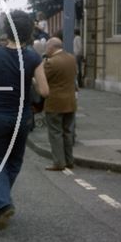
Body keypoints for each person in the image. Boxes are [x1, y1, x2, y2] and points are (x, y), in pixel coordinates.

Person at [0, 10, 49, 230]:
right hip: (22, 117)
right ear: (28, 32)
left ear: (7, 31)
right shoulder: (34, 57)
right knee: (14, 162)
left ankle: (2, 203)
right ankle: (0, 205)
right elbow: (44, 91)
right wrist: (28, 81)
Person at [43, 37, 77, 171]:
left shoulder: (51, 62)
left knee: (55, 133)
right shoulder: (71, 58)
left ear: (51, 47)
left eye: (47, 47)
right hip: (70, 101)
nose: (46, 50)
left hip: (55, 102)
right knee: (67, 132)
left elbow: (42, 80)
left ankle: (58, 162)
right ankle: (69, 160)